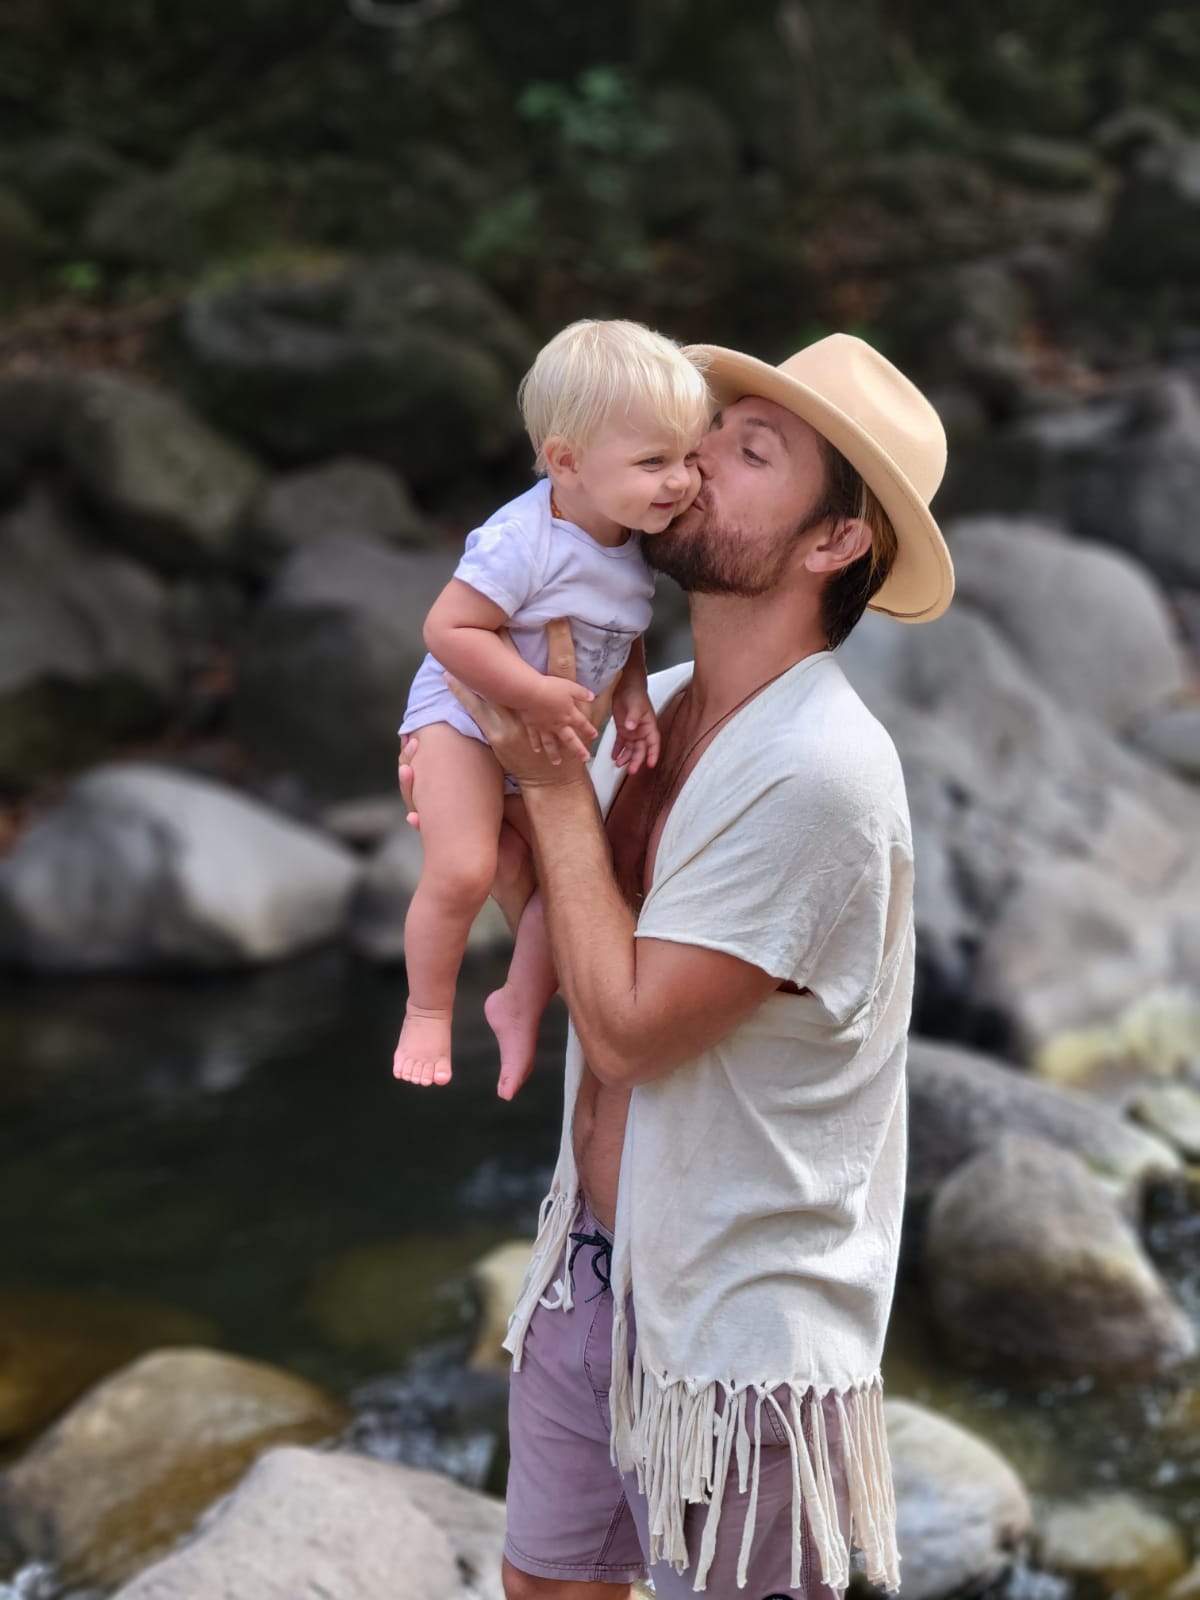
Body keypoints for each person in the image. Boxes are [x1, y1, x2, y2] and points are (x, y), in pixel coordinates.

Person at [401, 332, 954, 1598]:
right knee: (546, 1585)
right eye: (707, 431)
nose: (696, 460)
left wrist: (542, 782)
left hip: (744, 1335)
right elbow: (570, 913)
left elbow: (635, 1029)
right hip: (594, 1262)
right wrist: (473, 802)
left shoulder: (820, 772)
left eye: (750, 451)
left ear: (832, 544)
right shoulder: (663, 692)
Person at [393, 319, 712, 1091]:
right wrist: (530, 692)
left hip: (546, 734)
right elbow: (448, 627)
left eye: (689, 458)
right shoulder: (522, 540)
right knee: (465, 868)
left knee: (562, 888)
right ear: (567, 461)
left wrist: (633, 694)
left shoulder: (633, 535)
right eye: (653, 461)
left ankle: (518, 1000)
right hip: (465, 719)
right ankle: (428, 1011)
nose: (680, 482)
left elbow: (617, 628)